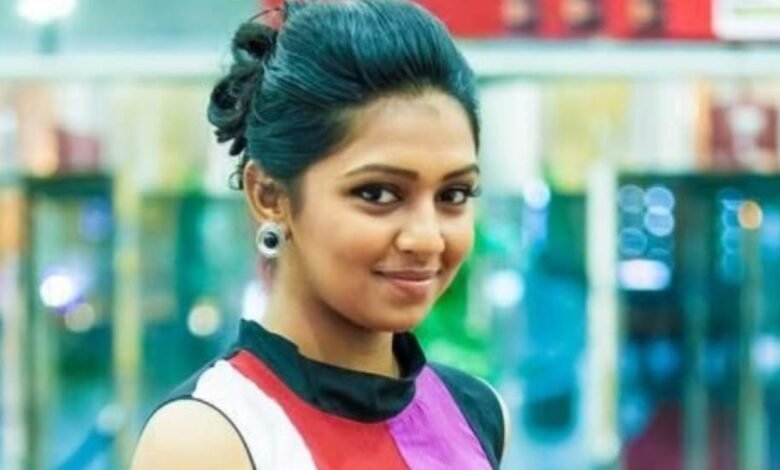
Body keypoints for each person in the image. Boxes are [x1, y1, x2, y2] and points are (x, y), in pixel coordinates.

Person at [131, 0, 508, 468]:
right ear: (269, 195)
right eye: (377, 193)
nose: (427, 238)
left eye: (453, 194)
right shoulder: (210, 437)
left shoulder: (475, 410)